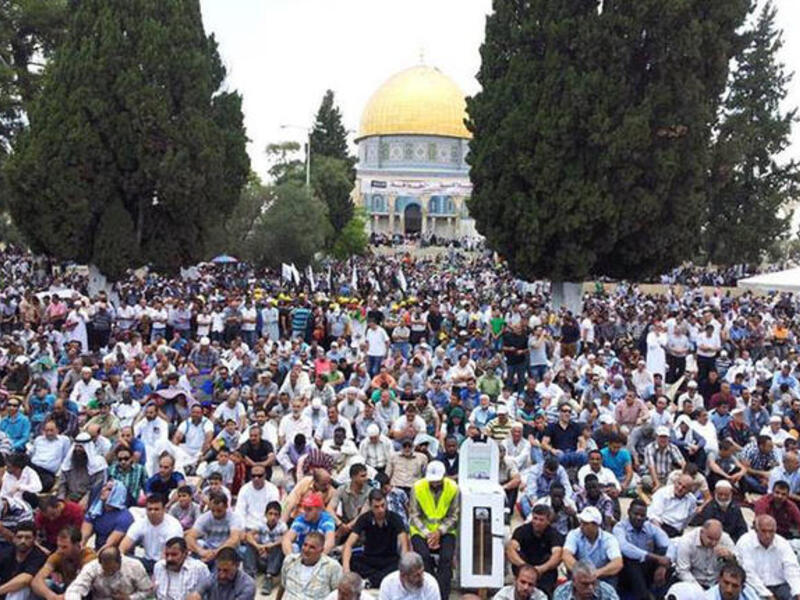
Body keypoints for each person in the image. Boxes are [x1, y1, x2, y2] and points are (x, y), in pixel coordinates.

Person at [409, 460, 459, 600]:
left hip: (445, 530)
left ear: (444, 477)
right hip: (421, 531)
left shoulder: (453, 488)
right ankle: (428, 591)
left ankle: (442, 596)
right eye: (432, 481)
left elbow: (454, 516)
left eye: (438, 481)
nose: (435, 484)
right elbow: (414, 515)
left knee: (446, 558)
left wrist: (439, 532)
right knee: (423, 557)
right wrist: (428, 534)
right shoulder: (417, 487)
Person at [343, 488, 409, 588]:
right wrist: (346, 570)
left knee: (399, 564)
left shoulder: (395, 518)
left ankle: (370, 581)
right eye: (376, 507)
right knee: (351, 560)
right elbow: (348, 544)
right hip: (370, 559)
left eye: (383, 505)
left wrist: (403, 564)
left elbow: (404, 544)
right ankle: (379, 579)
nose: (381, 510)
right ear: (370, 506)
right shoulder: (364, 518)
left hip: (389, 559)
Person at [613, 499, 671, 599]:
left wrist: (662, 566)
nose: (639, 518)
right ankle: (644, 597)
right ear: (628, 512)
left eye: (642, 515)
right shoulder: (620, 527)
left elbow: (668, 543)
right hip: (627, 572)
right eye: (636, 514)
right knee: (631, 562)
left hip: (646, 567)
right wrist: (655, 558)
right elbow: (625, 548)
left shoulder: (649, 527)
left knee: (668, 563)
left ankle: (662, 596)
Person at [735, 515, 800, 600]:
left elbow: (791, 569)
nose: (768, 535)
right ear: (756, 530)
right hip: (753, 586)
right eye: (764, 531)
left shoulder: (782, 543)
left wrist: (797, 592)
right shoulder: (745, 542)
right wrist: (768, 595)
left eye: (771, 531)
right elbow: (749, 573)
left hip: (780, 585)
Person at [506, 504, 563, 596]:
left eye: (541, 520)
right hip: (524, 566)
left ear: (548, 521)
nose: (537, 522)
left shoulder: (554, 534)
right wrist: (524, 567)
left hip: (544, 571)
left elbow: (558, 555)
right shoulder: (522, 530)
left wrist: (541, 569)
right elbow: (511, 549)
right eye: (535, 518)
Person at [119, 493, 183, 574]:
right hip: (146, 561)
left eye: (156, 509)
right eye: (150, 509)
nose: (152, 512)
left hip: (166, 563)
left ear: (164, 510)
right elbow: (123, 547)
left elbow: (168, 556)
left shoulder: (173, 526)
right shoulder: (141, 523)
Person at [31, 526, 95, 600]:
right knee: (44, 585)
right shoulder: (58, 555)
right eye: (59, 546)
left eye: (64, 547)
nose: (60, 550)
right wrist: (51, 596)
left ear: (77, 545)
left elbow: (83, 584)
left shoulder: (89, 557)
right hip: (66, 591)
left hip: (85, 593)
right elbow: (36, 581)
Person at [64, 546, 152, 600]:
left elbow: (148, 591)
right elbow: (74, 589)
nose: (109, 573)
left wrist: (130, 598)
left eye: (112, 570)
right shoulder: (91, 568)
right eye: (105, 570)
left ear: (119, 562)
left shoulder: (134, 566)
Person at [562, 506, 623, 584]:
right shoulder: (574, 534)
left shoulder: (609, 539)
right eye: (581, 522)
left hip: (602, 579)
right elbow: (566, 555)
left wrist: (597, 573)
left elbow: (618, 563)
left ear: (596, 525)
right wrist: (582, 572)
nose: (581, 526)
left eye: (586, 523)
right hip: (579, 579)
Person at [185, 490, 244, 567]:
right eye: (213, 510)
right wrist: (201, 551)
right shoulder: (205, 517)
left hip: (226, 549)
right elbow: (190, 537)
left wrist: (216, 552)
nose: (215, 514)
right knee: (198, 543)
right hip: (208, 548)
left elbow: (234, 539)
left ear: (226, 506)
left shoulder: (234, 518)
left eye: (219, 511)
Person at [280, 531, 342, 600]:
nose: (306, 550)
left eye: (312, 547)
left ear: (321, 550)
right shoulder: (290, 561)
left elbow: (337, 594)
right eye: (305, 545)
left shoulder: (332, 567)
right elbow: (283, 586)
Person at [675, 519, 736, 589]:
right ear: (702, 532)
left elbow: (738, 564)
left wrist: (730, 557)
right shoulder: (687, 542)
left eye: (717, 540)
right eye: (710, 538)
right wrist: (698, 589)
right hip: (693, 582)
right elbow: (682, 571)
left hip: (716, 584)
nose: (713, 543)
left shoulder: (725, 539)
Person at [243, 500, 286, 594]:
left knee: (280, 546)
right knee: (249, 545)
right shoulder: (261, 524)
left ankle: (269, 577)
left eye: (276, 514)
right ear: (265, 515)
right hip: (261, 556)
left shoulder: (282, 526)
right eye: (270, 514)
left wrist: (272, 545)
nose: (272, 517)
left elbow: (286, 538)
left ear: (279, 516)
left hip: (274, 560)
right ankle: (250, 575)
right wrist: (257, 546)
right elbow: (248, 535)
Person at [80, 479, 134, 551]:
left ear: (117, 493)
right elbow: (84, 537)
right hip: (97, 549)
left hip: (114, 553)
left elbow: (109, 544)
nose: (103, 490)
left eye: (109, 489)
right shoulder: (95, 510)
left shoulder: (125, 518)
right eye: (104, 487)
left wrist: (93, 560)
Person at [184, 546, 255, 600]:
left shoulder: (248, 585)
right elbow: (198, 591)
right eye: (219, 570)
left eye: (226, 570)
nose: (221, 575)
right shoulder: (213, 576)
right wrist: (195, 595)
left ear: (237, 565)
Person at [0, 522, 47, 600]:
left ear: (34, 539)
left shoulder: (40, 556)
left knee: (20, 588)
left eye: (27, 537)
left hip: (29, 594)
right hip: (5, 590)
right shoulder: (6, 553)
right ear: (14, 538)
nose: (23, 541)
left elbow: (25, 580)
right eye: (19, 537)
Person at [29, 419, 70, 492]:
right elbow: (31, 454)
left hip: (48, 472)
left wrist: (59, 475)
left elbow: (66, 459)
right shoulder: (38, 439)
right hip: (33, 467)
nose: (49, 433)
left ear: (57, 430)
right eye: (46, 430)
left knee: (47, 483)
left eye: (51, 430)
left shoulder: (64, 440)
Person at [234, 464, 279, 530]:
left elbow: (274, 511)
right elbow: (240, 511)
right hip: (247, 527)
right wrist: (242, 528)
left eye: (259, 476)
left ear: (265, 476)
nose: (256, 478)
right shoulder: (244, 489)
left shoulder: (273, 489)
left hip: (266, 528)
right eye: (253, 476)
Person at [552, 559, 620, 600]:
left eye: (593, 583)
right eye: (585, 584)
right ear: (574, 581)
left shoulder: (607, 591)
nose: (590, 588)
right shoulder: (562, 592)